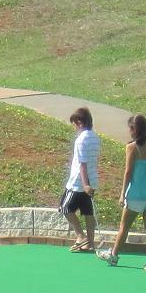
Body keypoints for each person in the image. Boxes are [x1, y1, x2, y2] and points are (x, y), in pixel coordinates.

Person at [102, 114, 146, 271]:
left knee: (124, 227)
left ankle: (114, 255)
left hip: (136, 194)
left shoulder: (131, 147)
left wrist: (123, 193)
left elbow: (128, 171)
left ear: (133, 129)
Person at [60, 107, 101, 253]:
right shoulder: (95, 137)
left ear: (80, 122)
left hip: (79, 183)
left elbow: (82, 164)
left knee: (65, 208)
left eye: (74, 123)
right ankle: (89, 243)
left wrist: (85, 185)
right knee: (87, 212)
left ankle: (81, 236)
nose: (74, 127)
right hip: (92, 180)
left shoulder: (81, 140)